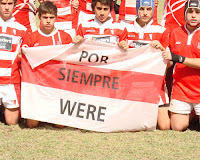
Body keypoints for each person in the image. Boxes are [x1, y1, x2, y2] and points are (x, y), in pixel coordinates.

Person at [23, 1, 72, 128]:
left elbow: (72, 60)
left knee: (59, 125)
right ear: (39, 17)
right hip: (38, 85)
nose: (48, 21)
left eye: (51, 17)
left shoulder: (64, 37)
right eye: (45, 17)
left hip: (58, 85)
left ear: (56, 17)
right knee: (32, 125)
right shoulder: (31, 37)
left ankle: (54, 112)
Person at [123, 0, 170, 130]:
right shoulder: (126, 28)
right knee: (129, 123)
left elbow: (169, 63)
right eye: (142, 9)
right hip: (132, 83)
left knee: (165, 126)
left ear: (153, 10)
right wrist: (122, 47)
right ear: (137, 9)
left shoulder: (161, 30)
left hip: (154, 84)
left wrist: (161, 49)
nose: (145, 13)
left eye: (148, 9)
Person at [162, 0, 200, 131]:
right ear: (184, 14)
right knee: (177, 127)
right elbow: (171, 61)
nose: (193, 16)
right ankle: (192, 114)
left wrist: (179, 58)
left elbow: (177, 58)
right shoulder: (175, 33)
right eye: (190, 12)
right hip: (181, 90)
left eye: (197, 12)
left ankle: (195, 113)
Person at [0, 0, 27, 125]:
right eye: (3, 3)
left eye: (10, 4)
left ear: (15, 5)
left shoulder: (22, 29)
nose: (6, 7)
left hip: (10, 82)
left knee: (12, 122)